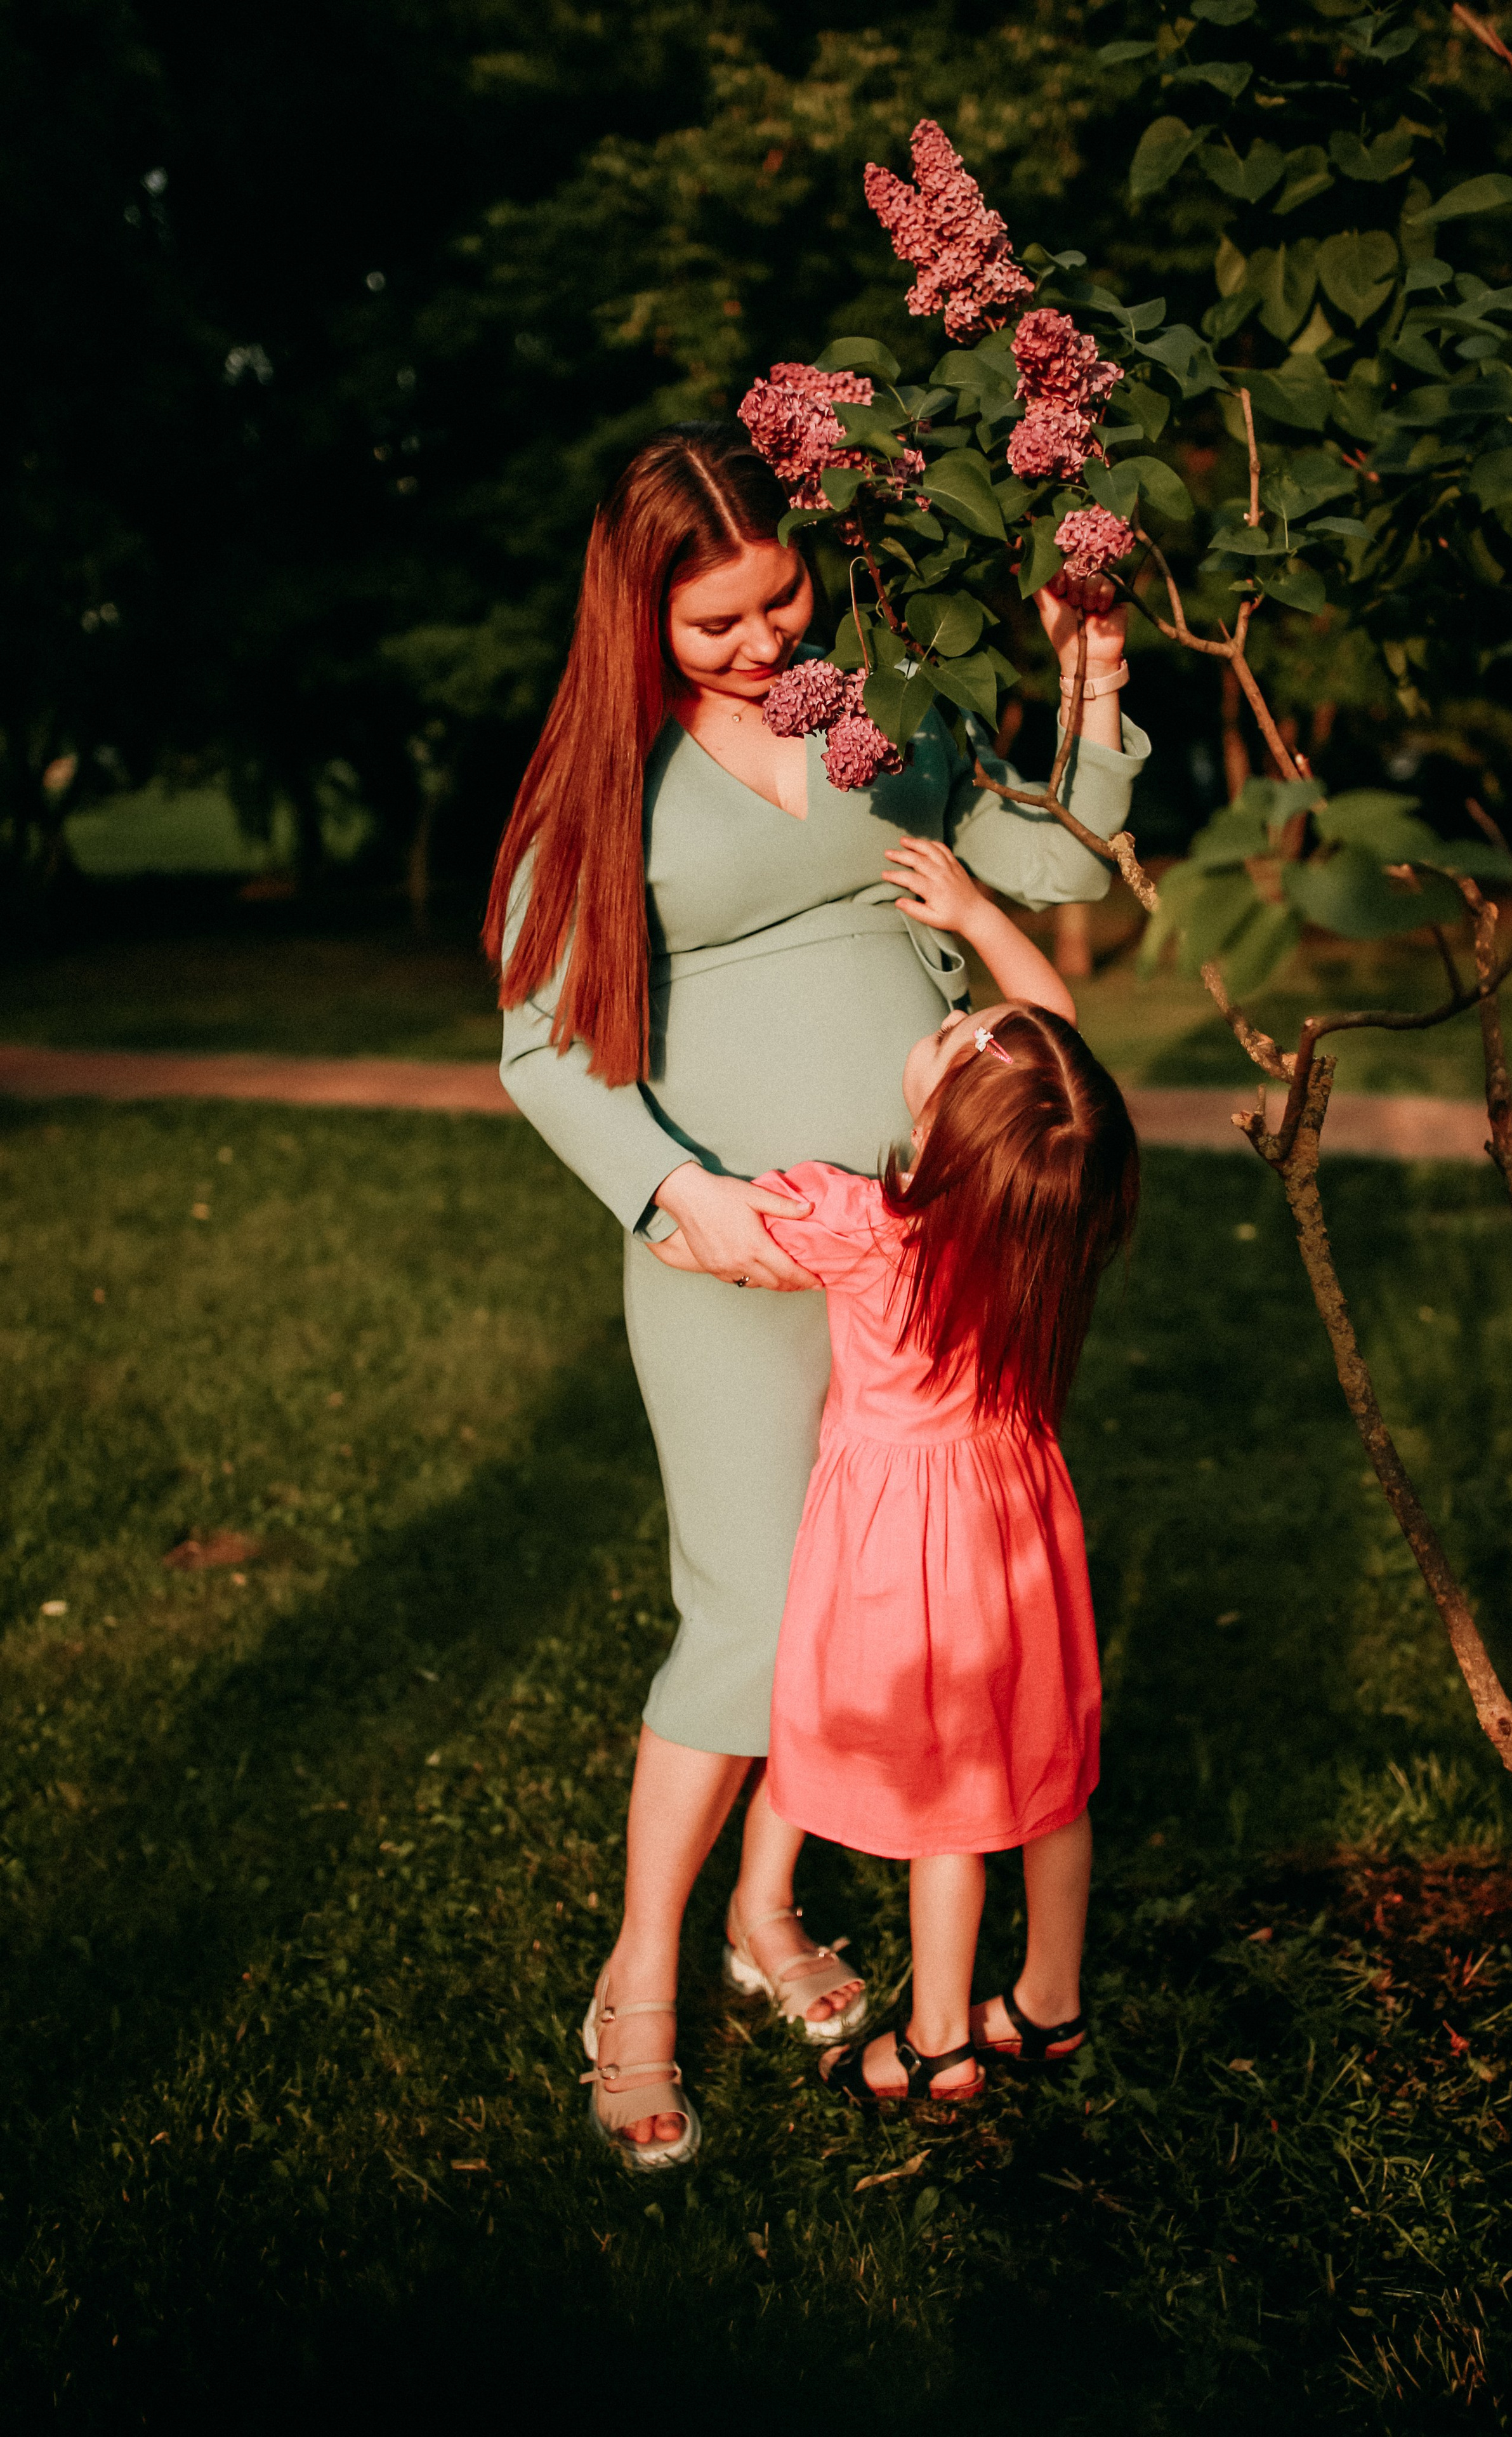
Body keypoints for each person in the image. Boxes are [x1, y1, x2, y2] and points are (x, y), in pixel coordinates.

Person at [485, 422, 1148, 2166]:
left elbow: (1059, 869)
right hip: (736, 1251)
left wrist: (1091, 698)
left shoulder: (870, 710)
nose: (766, 647)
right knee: (758, 1612)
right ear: (640, 624)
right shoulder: (611, 777)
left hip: (941, 1258)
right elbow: (541, 1047)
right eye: (716, 630)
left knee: (907, 1595)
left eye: (780, 599)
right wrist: (674, 1193)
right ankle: (638, 1979)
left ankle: (764, 1919)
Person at [662, 840, 1138, 2104]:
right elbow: (1054, 1037)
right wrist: (978, 914)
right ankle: (1045, 2005)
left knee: (951, 1815)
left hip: (902, 1539)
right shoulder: (1050, 1196)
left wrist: (702, 1215)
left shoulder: (865, 1226)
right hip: (1017, 1514)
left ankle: (934, 2047)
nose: (956, 1016)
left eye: (957, 1028)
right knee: (1038, 1768)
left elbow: (697, 1239)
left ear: (936, 1120)